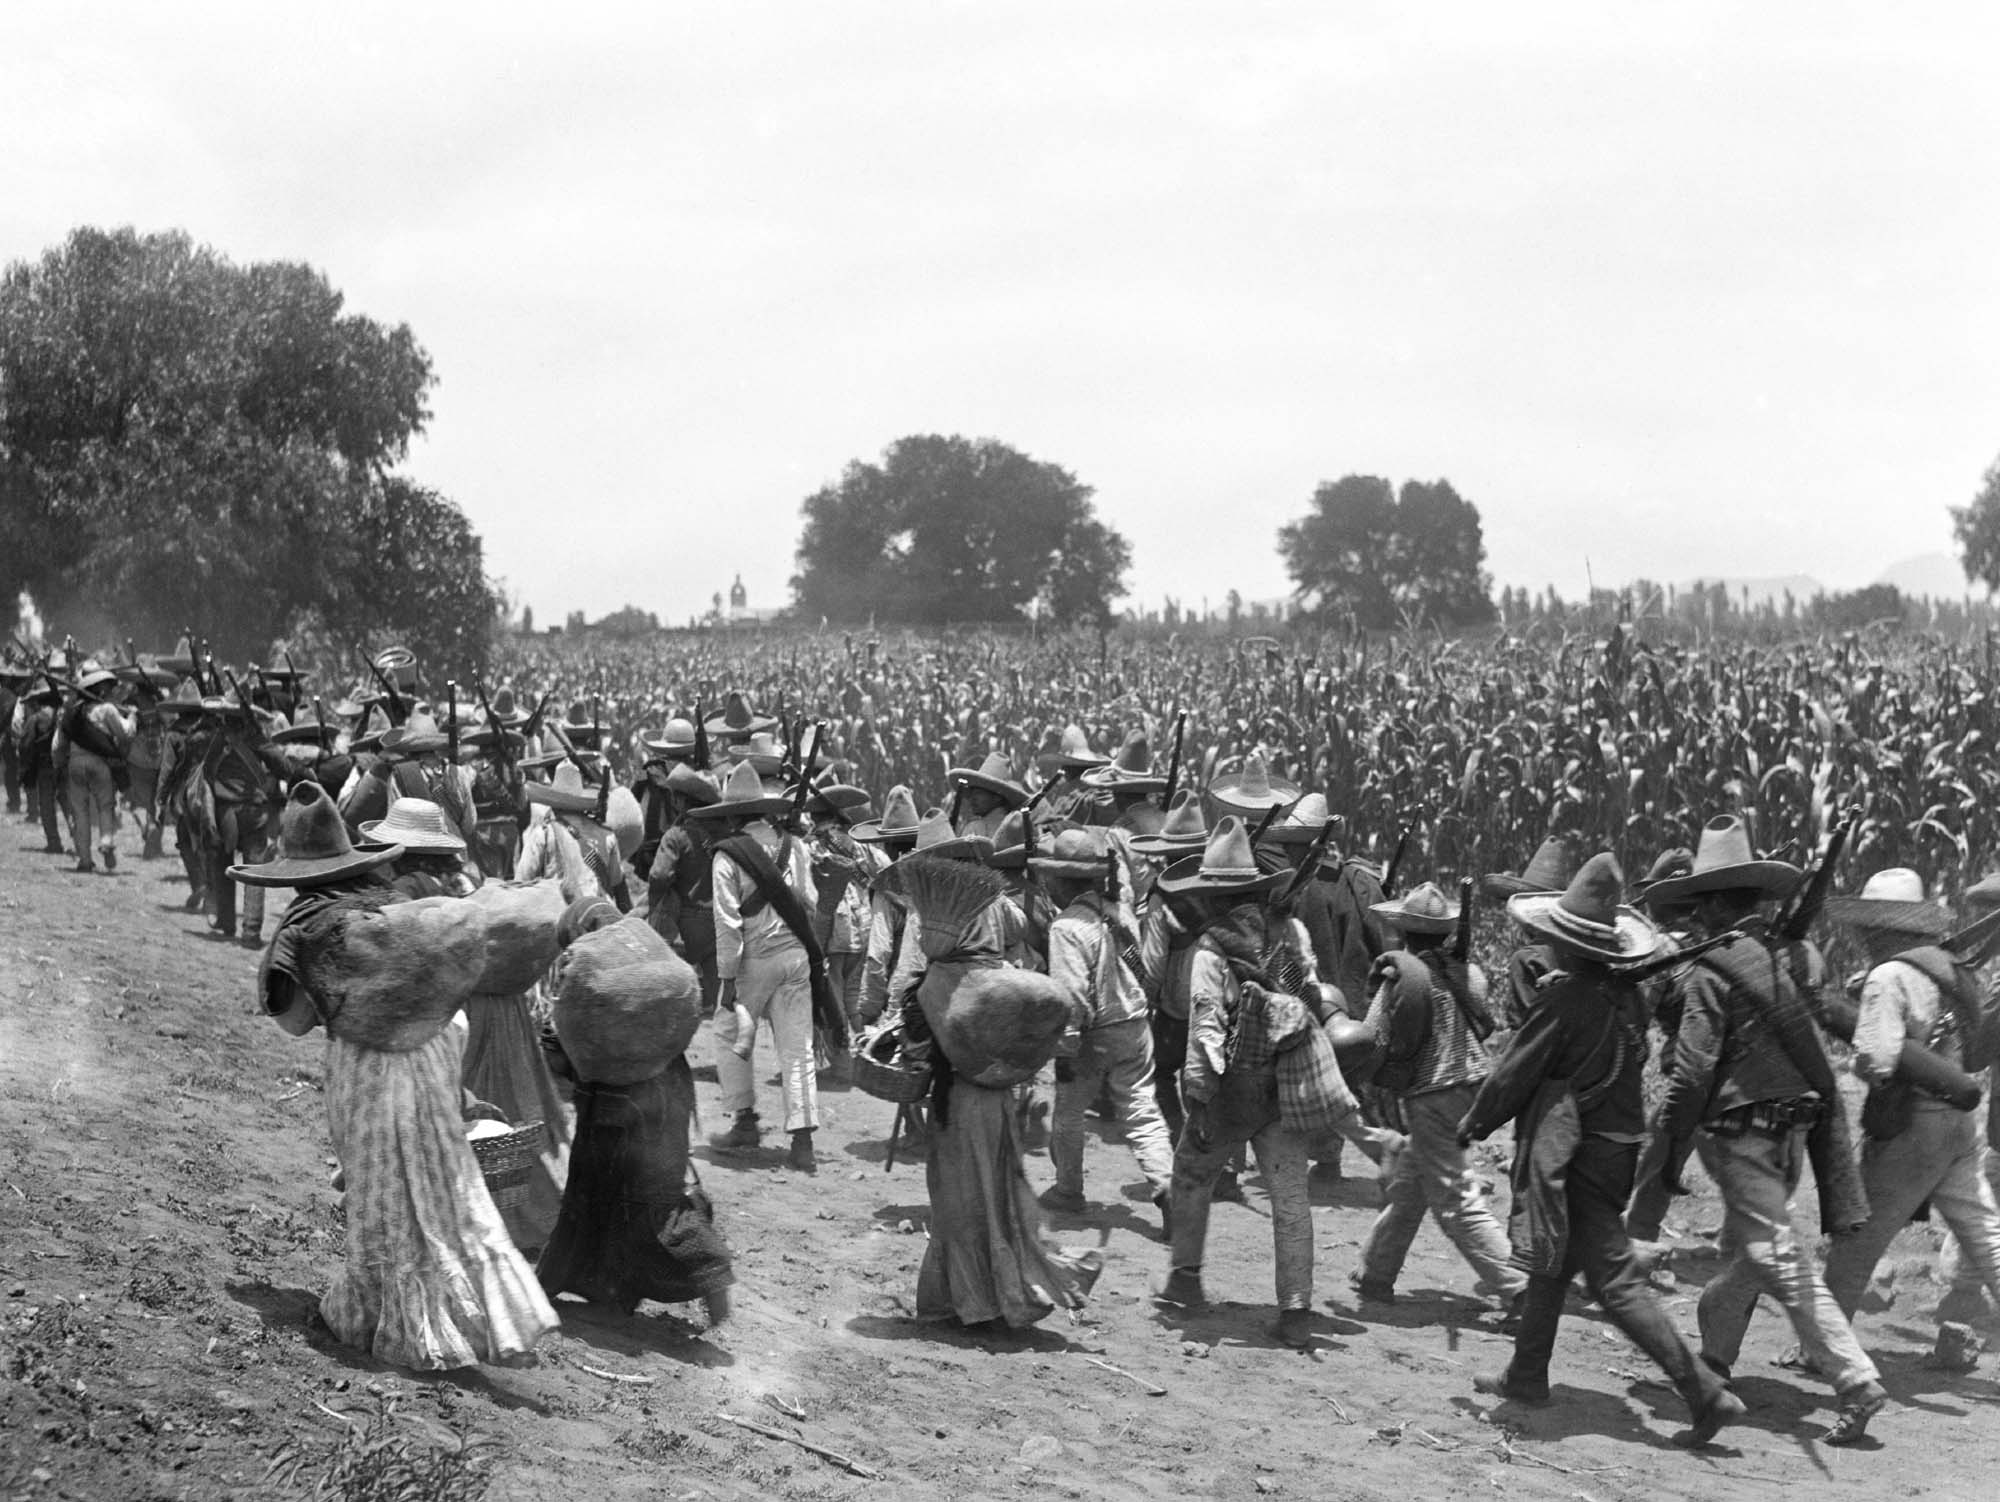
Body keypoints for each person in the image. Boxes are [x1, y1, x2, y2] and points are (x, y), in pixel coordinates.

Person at [248, 782, 559, 1370]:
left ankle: (398, 1322)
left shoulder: (307, 925)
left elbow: (293, 1020)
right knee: (447, 1186)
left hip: (368, 1064)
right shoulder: (386, 900)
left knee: (382, 1191)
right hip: (436, 1046)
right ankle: (485, 1315)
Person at [1459, 854, 1745, 1446]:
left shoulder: (1566, 1001)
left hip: (1579, 1154)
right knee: (1554, 1264)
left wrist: (1473, 1123)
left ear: (1564, 944)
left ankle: (1705, 1392)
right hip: (1613, 1148)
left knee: (1615, 1285)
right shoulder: (1622, 999)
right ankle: (1527, 1374)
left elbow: (1514, 1072)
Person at [1649, 815, 1887, 1446]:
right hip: (1793, 1130)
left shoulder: (1712, 967)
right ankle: (1716, 1364)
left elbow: (1694, 1067)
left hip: (1741, 1132)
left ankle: (1856, 1378)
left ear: (1712, 906)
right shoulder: (1789, 959)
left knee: (1778, 1257)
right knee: (1749, 1259)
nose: (1695, 920)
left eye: (1700, 907)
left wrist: (1667, 1146)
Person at [1155, 817, 1319, 1347]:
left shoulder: (1211, 949)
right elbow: (1313, 996)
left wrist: (1198, 1098)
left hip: (1232, 1087)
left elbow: (1205, 1029)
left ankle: (1185, 1279)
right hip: (1288, 1079)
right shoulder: (1291, 932)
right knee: (1290, 1197)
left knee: (1191, 1176)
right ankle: (1295, 1310)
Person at [1818, 869, 2000, 1346]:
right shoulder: (1951, 969)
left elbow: (1877, 1063)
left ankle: (1824, 1350)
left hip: (1913, 1127)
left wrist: (1856, 1055)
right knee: (1986, 1236)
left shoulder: (1888, 975)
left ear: (1879, 928)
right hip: (1960, 1122)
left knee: (1858, 1240)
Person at [537, 897, 734, 1326]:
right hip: (671, 1092)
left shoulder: (588, 972)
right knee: (658, 1191)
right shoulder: (648, 949)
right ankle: (615, 1288)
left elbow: (567, 1050)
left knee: (598, 1195)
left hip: (612, 1107)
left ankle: (707, 1273)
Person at [1351, 882, 1525, 1318]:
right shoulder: (1472, 975)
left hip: (1432, 1093)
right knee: (1412, 1179)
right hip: (1474, 1089)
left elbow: (1373, 1037)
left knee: (1454, 1199)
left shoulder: (1401, 978)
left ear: (1403, 933)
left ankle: (1521, 1290)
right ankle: (1376, 1271)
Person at [1035, 827, 1176, 1232]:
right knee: (1142, 1112)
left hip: (1093, 1033)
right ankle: (1169, 1187)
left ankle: (1068, 1189)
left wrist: (1066, 1044)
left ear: (1063, 881)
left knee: (1068, 1112)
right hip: (1134, 1023)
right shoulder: (1119, 910)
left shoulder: (1066, 927)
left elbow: (1072, 995)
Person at [696, 761, 824, 1171]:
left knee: (728, 1028)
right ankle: (802, 1142)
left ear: (732, 815)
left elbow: (728, 924)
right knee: (797, 1046)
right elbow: (811, 901)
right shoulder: (796, 847)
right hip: (796, 956)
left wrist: (728, 980)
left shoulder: (727, 856)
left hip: (754, 958)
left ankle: (745, 1120)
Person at [645, 763, 723, 1014]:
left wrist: (655, 905)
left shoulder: (676, 835)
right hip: (719, 922)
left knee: (667, 992)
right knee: (720, 1002)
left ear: (681, 801)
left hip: (683, 924)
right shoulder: (722, 834)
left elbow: (659, 875)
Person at [56, 663, 132, 873]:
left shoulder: (70, 712)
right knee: (105, 805)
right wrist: (132, 718)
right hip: (100, 764)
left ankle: (84, 860)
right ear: (100, 689)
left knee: (80, 813)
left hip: (75, 763)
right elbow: (124, 733)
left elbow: (58, 743)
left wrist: (59, 764)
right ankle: (106, 841)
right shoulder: (107, 709)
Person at [944, 750, 1029, 840]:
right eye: (971, 794)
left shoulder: (974, 829)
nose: (972, 798)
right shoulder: (1021, 827)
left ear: (998, 797)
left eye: (978, 793)